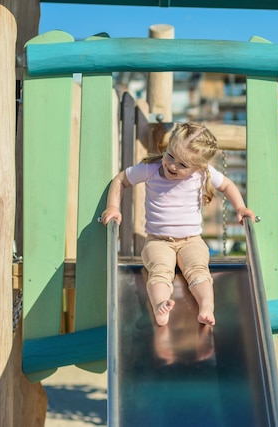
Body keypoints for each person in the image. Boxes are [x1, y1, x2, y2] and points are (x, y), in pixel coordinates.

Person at [101, 121, 255, 327]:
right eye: (170, 156)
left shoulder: (204, 173)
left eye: (183, 164)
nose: (172, 165)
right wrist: (113, 206)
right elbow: (121, 179)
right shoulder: (151, 169)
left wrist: (241, 208)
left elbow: (227, 185)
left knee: (199, 271)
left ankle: (207, 306)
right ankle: (160, 305)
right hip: (158, 241)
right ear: (168, 147)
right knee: (160, 271)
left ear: (198, 166)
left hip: (191, 241)